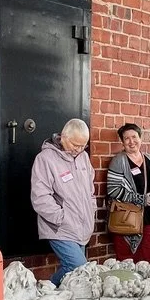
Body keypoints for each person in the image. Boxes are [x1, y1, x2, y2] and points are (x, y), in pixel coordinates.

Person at [30, 119, 96, 284]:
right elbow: (40, 196)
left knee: (76, 276)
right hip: (59, 227)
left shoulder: (83, 157)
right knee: (79, 268)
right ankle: (46, 290)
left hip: (82, 227)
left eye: (83, 146)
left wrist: (91, 209)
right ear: (63, 137)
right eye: (75, 145)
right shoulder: (45, 158)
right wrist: (61, 218)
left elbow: (90, 190)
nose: (79, 150)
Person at [107, 123, 150, 264]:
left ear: (140, 138)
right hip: (127, 220)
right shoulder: (119, 161)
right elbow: (113, 190)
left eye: (134, 137)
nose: (131, 141)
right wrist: (141, 199)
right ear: (122, 142)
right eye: (127, 138)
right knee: (128, 261)